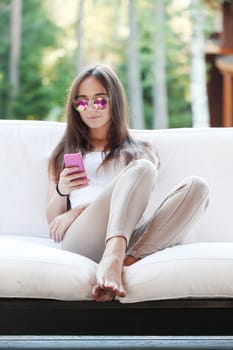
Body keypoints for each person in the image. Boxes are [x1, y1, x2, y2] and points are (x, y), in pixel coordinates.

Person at [46, 64, 209, 302]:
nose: (90, 109)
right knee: (143, 168)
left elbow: (137, 208)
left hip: (129, 233)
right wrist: (63, 191)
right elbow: (53, 222)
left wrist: (79, 210)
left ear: (115, 101)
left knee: (198, 187)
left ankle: (122, 261)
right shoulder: (64, 152)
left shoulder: (141, 152)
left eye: (99, 101)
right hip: (83, 238)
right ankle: (114, 258)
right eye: (82, 102)